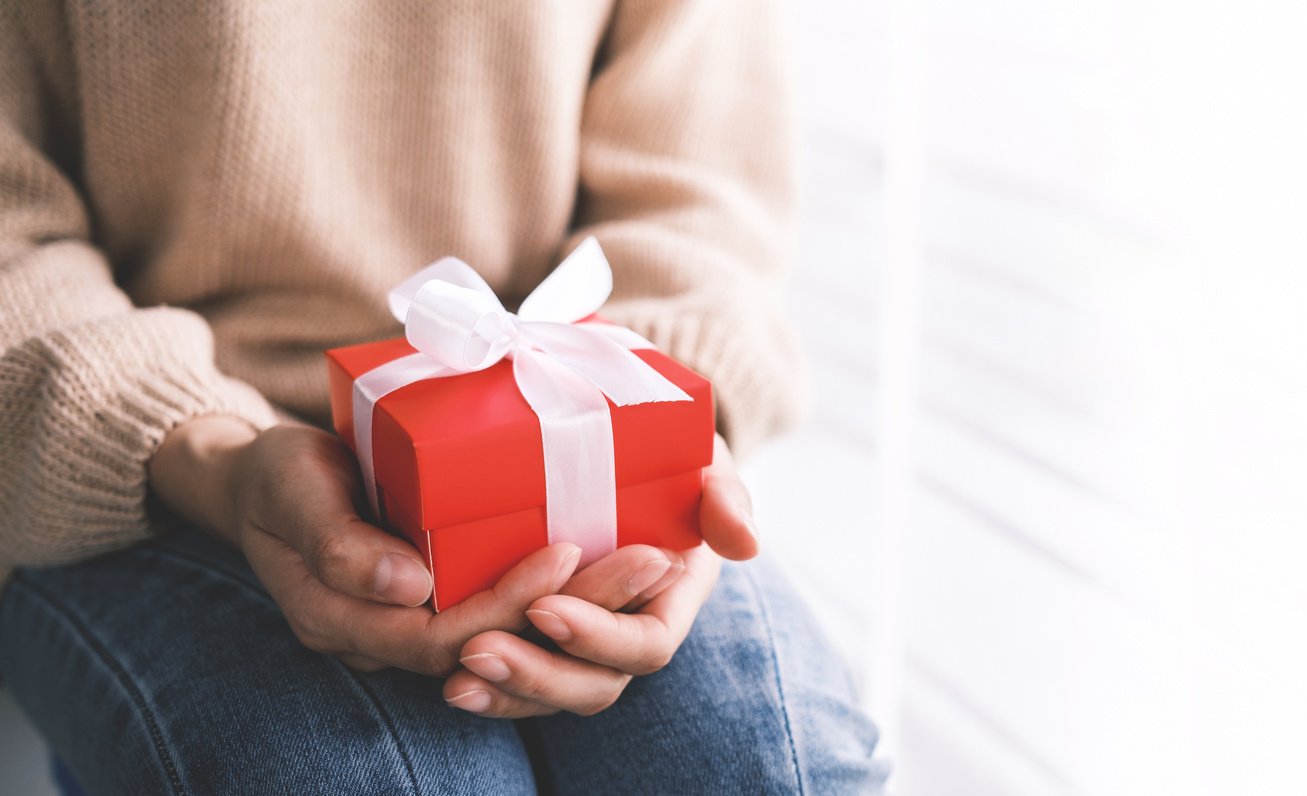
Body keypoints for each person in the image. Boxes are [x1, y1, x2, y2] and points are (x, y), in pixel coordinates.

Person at [0, 2, 888, 794]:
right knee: (365, 777)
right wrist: (209, 457)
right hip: (149, 454)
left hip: (583, 400)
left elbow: (701, 196)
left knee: (773, 766)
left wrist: (665, 429)